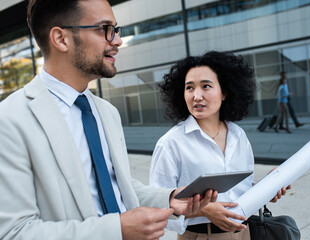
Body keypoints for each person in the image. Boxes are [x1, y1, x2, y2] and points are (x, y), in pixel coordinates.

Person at [0, 1, 217, 239]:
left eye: (116, 29)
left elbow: (118, 187)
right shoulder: (10, 119)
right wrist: (116, 230)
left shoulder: (107, 112)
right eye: (105, 29)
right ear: (61, 39)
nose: (117, 40)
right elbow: (14, 232)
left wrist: (168, 199)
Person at [149, 51, 290, 240]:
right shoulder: (171, 143)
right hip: (202, 236)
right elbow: (157, 207)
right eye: (189, 88)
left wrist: (266, 189)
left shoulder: (238, 135)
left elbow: (240, 190)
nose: (196, 96)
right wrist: (204, 211)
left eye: (206, 86)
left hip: (244, 233)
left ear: (224, 92)